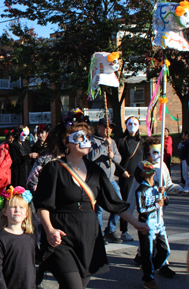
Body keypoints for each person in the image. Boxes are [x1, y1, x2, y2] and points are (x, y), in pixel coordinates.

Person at [34, 122, 149, 289]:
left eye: (87, 137)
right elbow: (43, 204)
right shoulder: (53, 168)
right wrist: (49, 229)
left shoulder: (95, 170)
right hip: (62, 237)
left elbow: (114, 203)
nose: (85, 141)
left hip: (89, 238)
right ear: (66, 142)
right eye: (79, 137)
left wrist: (137, 224)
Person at [135, 160, 172, 289]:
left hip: (159, 223)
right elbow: (141, 210)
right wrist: (156, 204)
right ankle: (148, 279)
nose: (151, 173)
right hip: (147, 226)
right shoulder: (141, 190)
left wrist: (164, 194)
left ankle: (147, 268)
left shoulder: (157, 185)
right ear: (142, 175)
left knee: (165, 251)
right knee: (148, 253)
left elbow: (166, 202)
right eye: (147, 171)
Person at [0, 185, 36, 289]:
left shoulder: (30, 237)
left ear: (26, 213)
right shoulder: (1, 238)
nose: (17, 210)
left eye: (21, 207)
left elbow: (37, 259)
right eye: (13, 207)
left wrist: (50, 245)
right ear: (5, 212)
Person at [88, 117, 123, 243]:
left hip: (111, 179)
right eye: (106, 126)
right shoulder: (92, 140)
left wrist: (113, 157)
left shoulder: (112, 141)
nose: (108, 129)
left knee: (119, 204)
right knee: (99, 209)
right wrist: (103, 146)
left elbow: (119, 158)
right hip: (98, 180)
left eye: (111, 127)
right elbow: (90, 156)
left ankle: (110, 230)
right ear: (99, 127)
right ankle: (99, 234)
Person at [115, 116, 144, 242]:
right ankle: (124, 230)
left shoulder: (142, 141)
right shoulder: (121, 141)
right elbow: (116, 160)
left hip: (140, 176)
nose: (132, 126)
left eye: (135, 123)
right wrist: (122, 171)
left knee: (141, 203)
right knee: (126, 203)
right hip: (126, 176)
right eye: (130, 123)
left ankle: (143, 227)